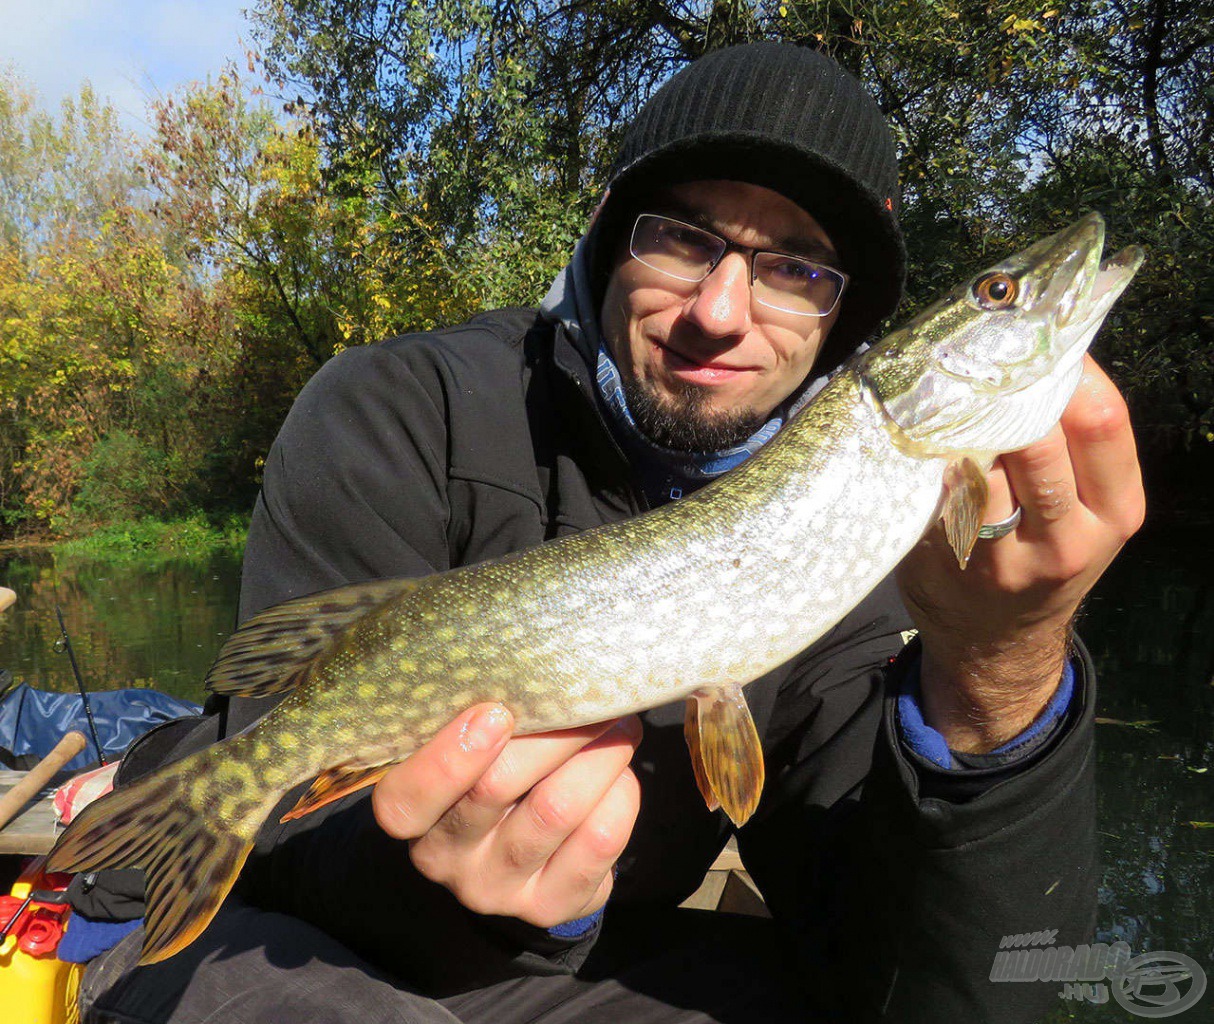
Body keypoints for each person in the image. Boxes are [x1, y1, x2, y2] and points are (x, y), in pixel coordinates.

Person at [73, 42, 1143, 1023]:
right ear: (605, 241)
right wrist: (450, 883)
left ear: (846, 324)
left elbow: (950, 985)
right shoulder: (394, 408)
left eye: (795, 268)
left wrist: (1000, 666)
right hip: (277, 942)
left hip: (574, 972)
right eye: (682, 237)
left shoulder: (857, 527)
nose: (720, 310)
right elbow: (281, 833)